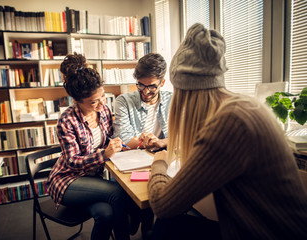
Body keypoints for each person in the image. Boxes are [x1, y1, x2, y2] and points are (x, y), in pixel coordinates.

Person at [147, 23, 307, 239]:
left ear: (185, 93)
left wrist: (159, 161)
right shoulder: (243, 105)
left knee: (165, 226)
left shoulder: (231, 122)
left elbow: (162, 205)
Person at [47, 53, 135, 240]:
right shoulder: (67, 120)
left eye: (102, 96)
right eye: (93, 101)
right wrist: (104, 154)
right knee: (118, 192)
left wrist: (124, 143)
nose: (102, 103)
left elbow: (109, 139)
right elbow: (71, 162)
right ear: (77, 101)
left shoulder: (103, 110)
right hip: (67, 181)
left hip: (92, 180)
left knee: (106, 214)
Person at [113, 53, 172, 150]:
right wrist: (151, 143)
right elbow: (123, 140)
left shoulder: (172, 100)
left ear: (162, 83)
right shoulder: (124, 101)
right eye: (141, 85)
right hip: (136, 157)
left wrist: (161, 142)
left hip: (163, 155)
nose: (146, 91)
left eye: (152, 86)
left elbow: (183, 135)